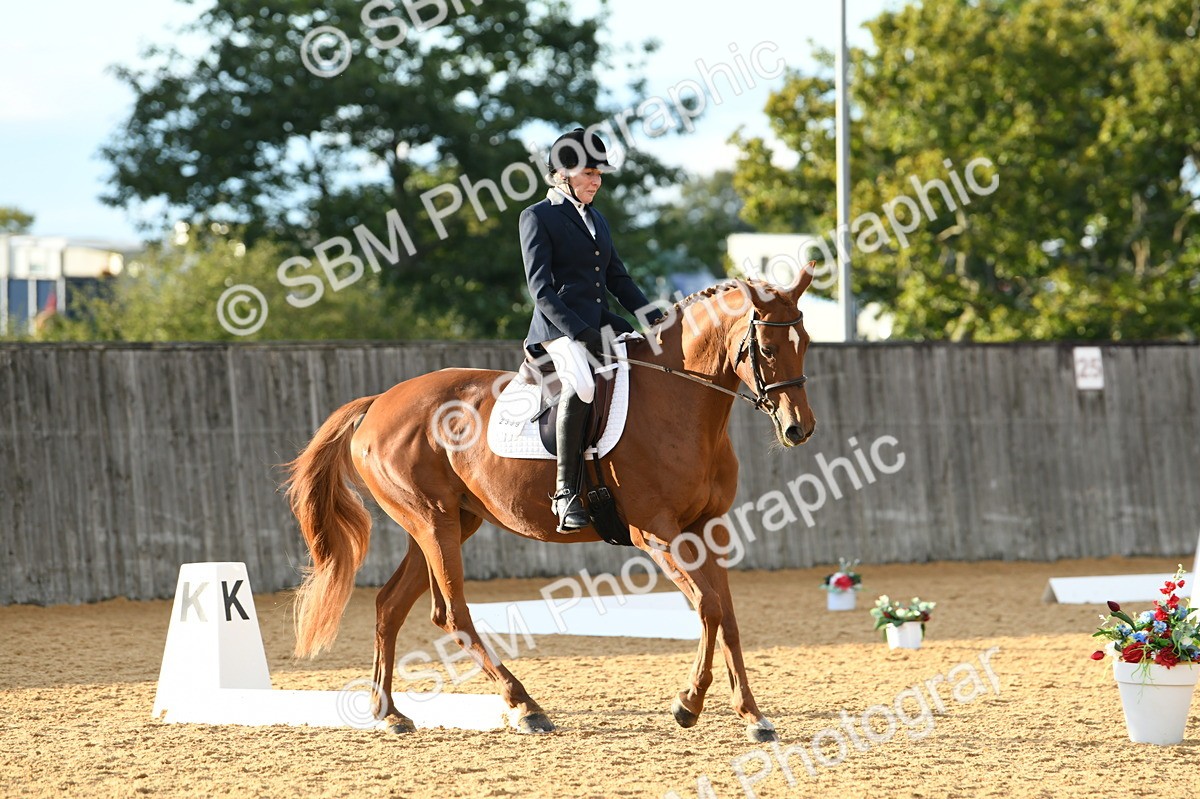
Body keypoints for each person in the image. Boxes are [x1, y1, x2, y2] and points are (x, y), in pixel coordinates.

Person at [519, 127, 663, 532]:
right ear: (563, 174)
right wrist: (581, 334)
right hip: (556, 330)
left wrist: (654, 318)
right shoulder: (537, 217)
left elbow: (618, 279)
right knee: (581, 384)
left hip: (600, 325)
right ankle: (565, 493)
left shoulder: (597, 218)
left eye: (599, 175)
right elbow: (541, 291)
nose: (596, 182)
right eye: (588, 173)